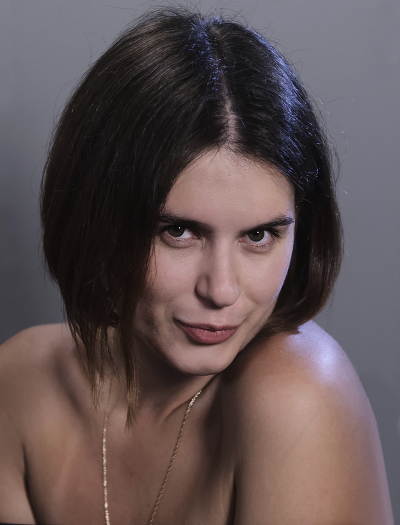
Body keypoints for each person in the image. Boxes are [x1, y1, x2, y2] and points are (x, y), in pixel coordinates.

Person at [0, 7, 394, 524]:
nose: (222, 290)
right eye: (179, 232)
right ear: (97, 218)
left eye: (259, 235)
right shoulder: (17, 385)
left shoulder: (296, 394)